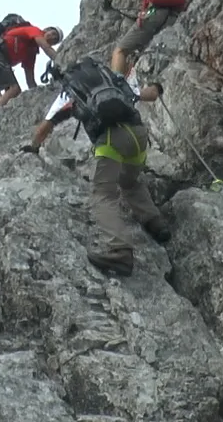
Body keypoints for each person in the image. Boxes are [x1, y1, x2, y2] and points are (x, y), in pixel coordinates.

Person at [22, 57, 171, 277]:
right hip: (138, 135)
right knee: (129, 181)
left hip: (111, 139)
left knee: (102, 194)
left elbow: (45, 127)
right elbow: (147, 94)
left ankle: (120, 250)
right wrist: (158, 88)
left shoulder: (70, 90)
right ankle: (156, 223)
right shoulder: (112, 80)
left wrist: (33, 147)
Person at [0, 21, 64, 113]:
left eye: (55, 40)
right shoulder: (34, 30)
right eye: (53, 33)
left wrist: (40, 95)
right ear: (46, 30)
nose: (53, 37)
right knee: (14, 89)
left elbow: (30, 81)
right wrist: (62, 62)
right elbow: (45, 47)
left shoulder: (31, 53)